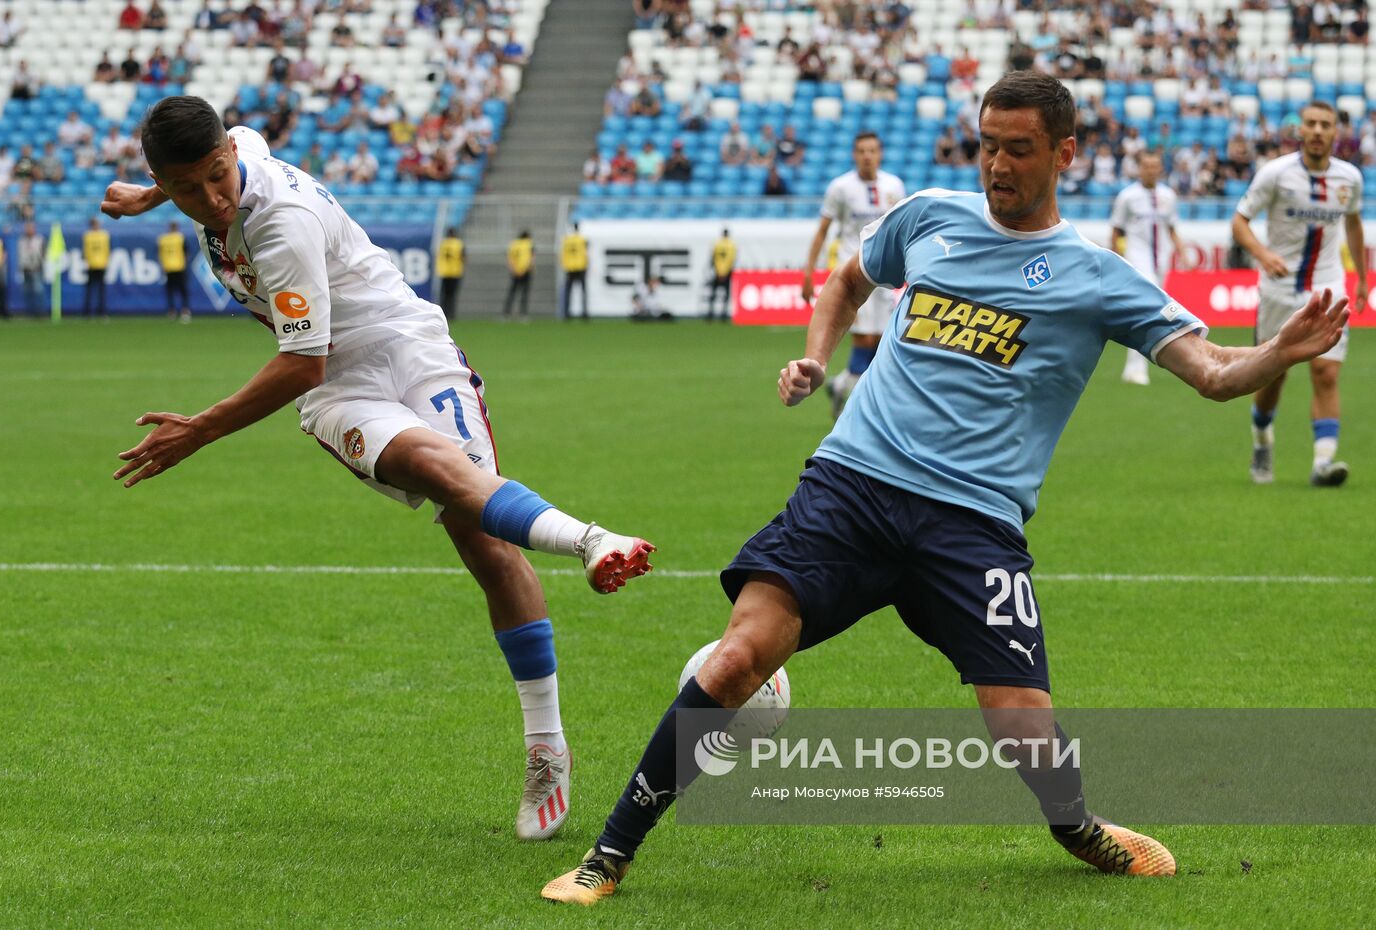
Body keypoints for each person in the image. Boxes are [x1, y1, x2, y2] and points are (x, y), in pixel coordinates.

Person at [541, 68, 1352, 905]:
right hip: (852, 485)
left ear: (1065, 153)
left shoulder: (1098, 276)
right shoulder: (929, 216)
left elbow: (1215, 373)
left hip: (972, 523)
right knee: (741, 652)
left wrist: (1278, 354)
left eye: (1020, 150)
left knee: (1022, 726)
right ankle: (609, 856)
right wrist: (818, 354)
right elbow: (844, 282)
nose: (997, 166)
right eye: (987, 146)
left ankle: (1077, 826)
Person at [98, 96, 656, 842]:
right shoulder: (228, 154)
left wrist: (199, 430)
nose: (213, 197)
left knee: (480, 535)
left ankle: (550, 729)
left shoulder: (276, 222)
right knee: (446, 480)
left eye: (218, 178)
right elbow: (220, 156)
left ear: (231, 157)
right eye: (189, 186)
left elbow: (299, 361)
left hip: (401, 348)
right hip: (344, 393)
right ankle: (588, 555)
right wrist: (152, 197)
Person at [1232, 100, 1367, 487]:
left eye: (1326, 124)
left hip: (1328, 286)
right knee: (1272, 379)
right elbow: (1240, 221)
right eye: (1312, 124)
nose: (1319, 131)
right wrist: (1262, 253)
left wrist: (1359, 276)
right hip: (1279, 289)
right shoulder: (1275, 174)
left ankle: (1323, 462)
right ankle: (1262, 441)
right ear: (1301, 130)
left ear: (1335, 132)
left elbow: (1354, 223)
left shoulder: (1349, 178)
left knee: (1326, 372)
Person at [801, 132, 907, 419]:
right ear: (854, 154)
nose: (867, 156)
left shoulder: (894, 186)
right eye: (861, 151)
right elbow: (822, 230)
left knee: (882, 341)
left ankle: (841, 385)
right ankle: (863, 410)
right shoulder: (840, 187)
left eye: (872, 150)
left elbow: (903, 231)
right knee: (864, 340)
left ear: (880, 153)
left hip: (886, 277)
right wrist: (809, 271)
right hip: (854, 275)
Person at [1109, 151, 1188, 385]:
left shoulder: (1168, 196)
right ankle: (1137, 368)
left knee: (1151, 312)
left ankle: (1135, 367)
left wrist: (1183, 252)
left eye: (1155, 166)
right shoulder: (1127, 196)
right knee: (1147, 311)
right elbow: (1116, 230)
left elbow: (1172, 227)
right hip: (1137, 257)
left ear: (1160, 169)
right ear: (1139, 168)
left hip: (1160, 258)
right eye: (1146, 166)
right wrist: (1118, 259)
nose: (1151, 170)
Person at [159, 218, 190, 322]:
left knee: (170, 291)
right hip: (179, 266)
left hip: (168, 267)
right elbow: (186, 253)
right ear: (177, 227)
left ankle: (172, 311)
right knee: (183, 290)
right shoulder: (180, 238)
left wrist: (162, 265)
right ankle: (185, 311)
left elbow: (160, 254)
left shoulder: (163, 239)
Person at [82, 217, 111, 318]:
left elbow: (106, 250)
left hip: (101, 265)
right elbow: (86, 251)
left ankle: (101, 312)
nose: (96, 226)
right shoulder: (88, 236)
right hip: (91, 265)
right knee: (90, 290)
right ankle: (88, 312)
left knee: (101, 291)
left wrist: (106, 262)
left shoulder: (104, 235)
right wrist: (87, 262)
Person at [560, 224, 588, 320]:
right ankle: (584, 312)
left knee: (568, 291)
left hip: (570, 268)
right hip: (580, 267)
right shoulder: (581, 239)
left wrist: (565, 265)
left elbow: (563, 254)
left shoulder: (566, 240)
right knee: (583, 292)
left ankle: (567, 313)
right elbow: (585, 253)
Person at [435, 227, 464, 319]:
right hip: (455, 271)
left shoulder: (443, 243)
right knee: (452, 295)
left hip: (444, 271)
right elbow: (463, 257)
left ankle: (444, 313)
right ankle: (451, 314)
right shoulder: (458, 244)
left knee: (444, 294)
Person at [707, 228, 736, 321]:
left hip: (717, 272)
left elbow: (713, 258)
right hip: (727, 273)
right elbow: (731, 260)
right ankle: (723, 315)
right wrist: (725, 272)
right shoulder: (731, 245)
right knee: (726, 295)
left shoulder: (717, 244)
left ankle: (710, 314)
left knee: (713, 294)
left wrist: (718, 271)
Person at [503, 229, 533, 318]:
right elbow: (531, 258)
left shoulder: (513, 244)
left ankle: (506, 312)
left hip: (515, 271)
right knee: (524, 293)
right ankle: (523, 313)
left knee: (512, 292)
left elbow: (510, 259)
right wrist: (525, 269)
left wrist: (514, 269)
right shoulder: (529, 244)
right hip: (526, 271)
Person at [17, 221, 44, 316]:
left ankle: (40, 311)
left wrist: (40, 264)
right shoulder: (22, 240)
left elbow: (43, 254)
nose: (28, 230)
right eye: (27, 228)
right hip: (26, 268)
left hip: (36, 268)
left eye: (30, 228)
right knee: (27, 291)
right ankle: (29, 311)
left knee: (38, 290)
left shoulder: (39, 239)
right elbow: (20, 255)